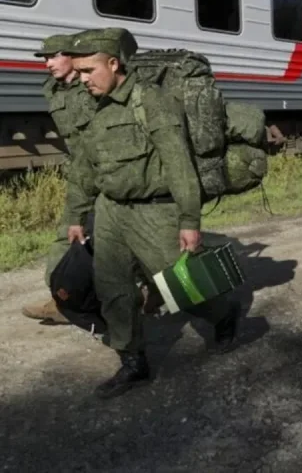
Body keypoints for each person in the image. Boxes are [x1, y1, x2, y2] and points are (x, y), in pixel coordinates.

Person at [64, 28, 240, 399]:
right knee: (114, 291)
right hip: (110, 212)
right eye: (77, 72)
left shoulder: (152, 101)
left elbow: (179, 165)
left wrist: (190, 220)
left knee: (186, 286)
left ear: (113, 64)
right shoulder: (93, 107)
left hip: (155, 212)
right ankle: (133, 364)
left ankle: (225, 313)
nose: (82, 80)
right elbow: (83, 167)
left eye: (88, 70)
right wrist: (77, 215)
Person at [20, 33, 96, 324]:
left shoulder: (92, 88)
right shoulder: (55, 88)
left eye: (54, 56)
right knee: (68, 233)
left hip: (107, 172)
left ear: (73, 57)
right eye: (45, 58)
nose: (48, 64)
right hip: (82, 172)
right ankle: (61, 300)